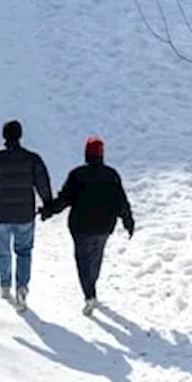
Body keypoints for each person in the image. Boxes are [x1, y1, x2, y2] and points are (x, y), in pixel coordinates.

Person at [40, 135, 135, 316]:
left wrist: (48, 211)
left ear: (86, 154)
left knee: (83, 260)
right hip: (104, 226)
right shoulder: (111, 175)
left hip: (81, 227)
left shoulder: (78, 175)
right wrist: (128, 221)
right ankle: (92, 286)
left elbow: (64, 199)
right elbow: (121, 202)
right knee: (96, 257)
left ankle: (89, 294)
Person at [0, 119, 54, 311]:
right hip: (25, 215)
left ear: (4, 136)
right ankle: (22, 287)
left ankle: (5, 285)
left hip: (0, 215)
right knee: (24, 251)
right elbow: (43, 184)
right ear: (20, 135)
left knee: (3, 251)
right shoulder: (33, 159)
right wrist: (48, 206)